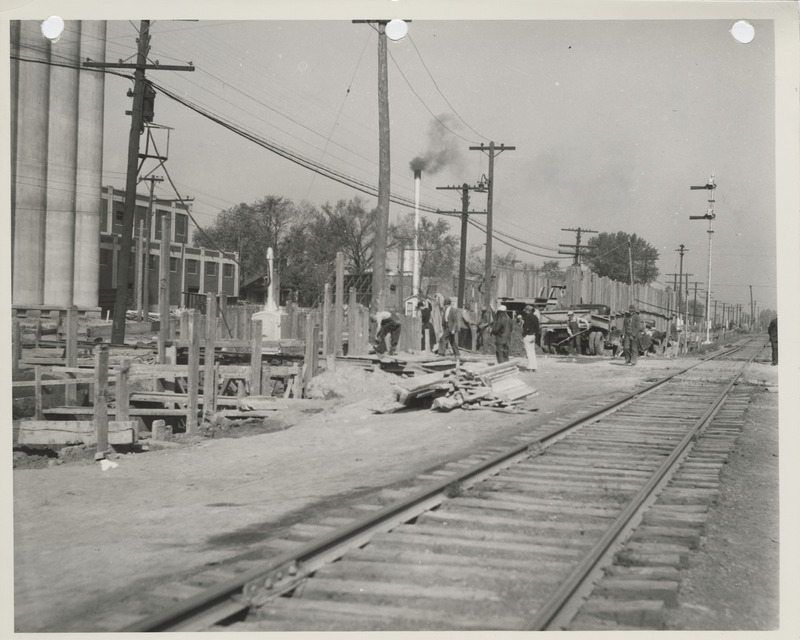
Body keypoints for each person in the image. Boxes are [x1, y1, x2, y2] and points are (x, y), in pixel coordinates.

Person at [520, 304, 539, 371]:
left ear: (527, 310)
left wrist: (524, 334)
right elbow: (537, 327)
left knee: (528, 352)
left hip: (528, 335)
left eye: (525, 310)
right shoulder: (535, 317)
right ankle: (534, 367)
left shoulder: (527, 317)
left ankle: (530, 367)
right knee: (533, 352)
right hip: (533, 335)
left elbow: (526, 327)